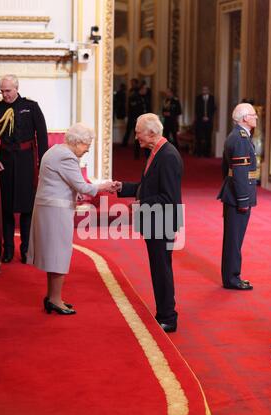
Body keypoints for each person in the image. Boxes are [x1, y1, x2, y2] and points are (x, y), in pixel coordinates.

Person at [27, 123, 116, 315]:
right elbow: (83, 186)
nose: (88, 149)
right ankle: (55, 299)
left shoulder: (55, 151)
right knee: (59, 254)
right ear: (77, 142)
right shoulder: (67, 156)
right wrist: (105, 186)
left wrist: (79, 193)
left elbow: (64, 183)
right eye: (87, 144)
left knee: (54, 254)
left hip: (50, 208)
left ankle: (52, 297)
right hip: (55, 211)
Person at [116, 113, 183, 333]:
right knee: (158, 269)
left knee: (162, 270)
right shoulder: (156, 152)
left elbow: (169, 197)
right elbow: (149, 186)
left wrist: (140, 204)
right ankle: (163, 312)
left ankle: (168, 317)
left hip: (162, 222)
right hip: (155, 220)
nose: (136, 137)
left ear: (152, 133)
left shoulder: (168, 156)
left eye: (138, 133)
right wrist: (122, 188)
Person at [0, 74, 48, 264]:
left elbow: (42, 136)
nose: (5, 95)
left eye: (8, 91)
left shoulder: (31, 107)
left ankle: (26, 250)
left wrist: (42, 162)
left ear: (16, 88)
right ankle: (8, 250)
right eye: (2, 91)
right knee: (7, 207)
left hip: (27, 161)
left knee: (27, 208)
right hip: (5, 161)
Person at [217, 103, 258, 290]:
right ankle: (232, 279)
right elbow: (240, 172)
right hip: (238, 197)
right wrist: (243, 199)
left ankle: (232, 276)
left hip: (234, 194)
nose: (256, 117)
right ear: (244, 119)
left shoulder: (237, 136)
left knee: (234, 239)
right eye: (253, 115)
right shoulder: (240, 139)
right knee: (234, 240)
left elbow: (227, 170)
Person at [195, 85, 216, 157]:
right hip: (200, 121)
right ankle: (199, 153)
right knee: (199, 137)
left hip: (209, 122)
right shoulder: (198, 98)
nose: (204, 91)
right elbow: (196, 109)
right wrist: (202, 117)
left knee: (208, 137)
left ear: (208, 91)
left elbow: (213, 109)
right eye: (203, 90)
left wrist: (208, 117)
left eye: (206, 89)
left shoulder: (212, 98)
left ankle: (207, 153)